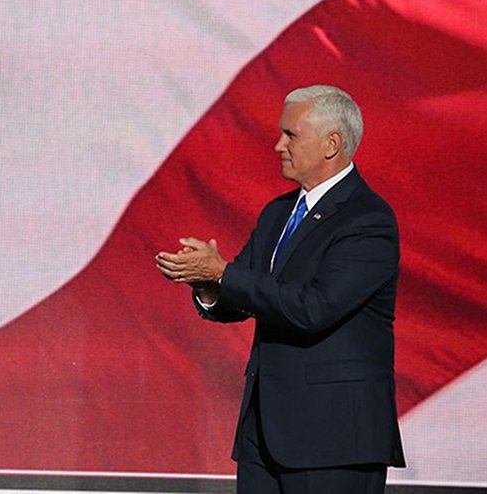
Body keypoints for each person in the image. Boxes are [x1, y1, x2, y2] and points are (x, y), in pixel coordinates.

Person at [156, 85, 404, 493]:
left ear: (332, 144)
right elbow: (245, 293)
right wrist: (209, 285)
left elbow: (314, 308)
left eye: (291, 135)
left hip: (333, 440)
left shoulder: (367, 220)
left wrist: (224, 274)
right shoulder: (278, 213)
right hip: (263, 435)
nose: (278, 145)